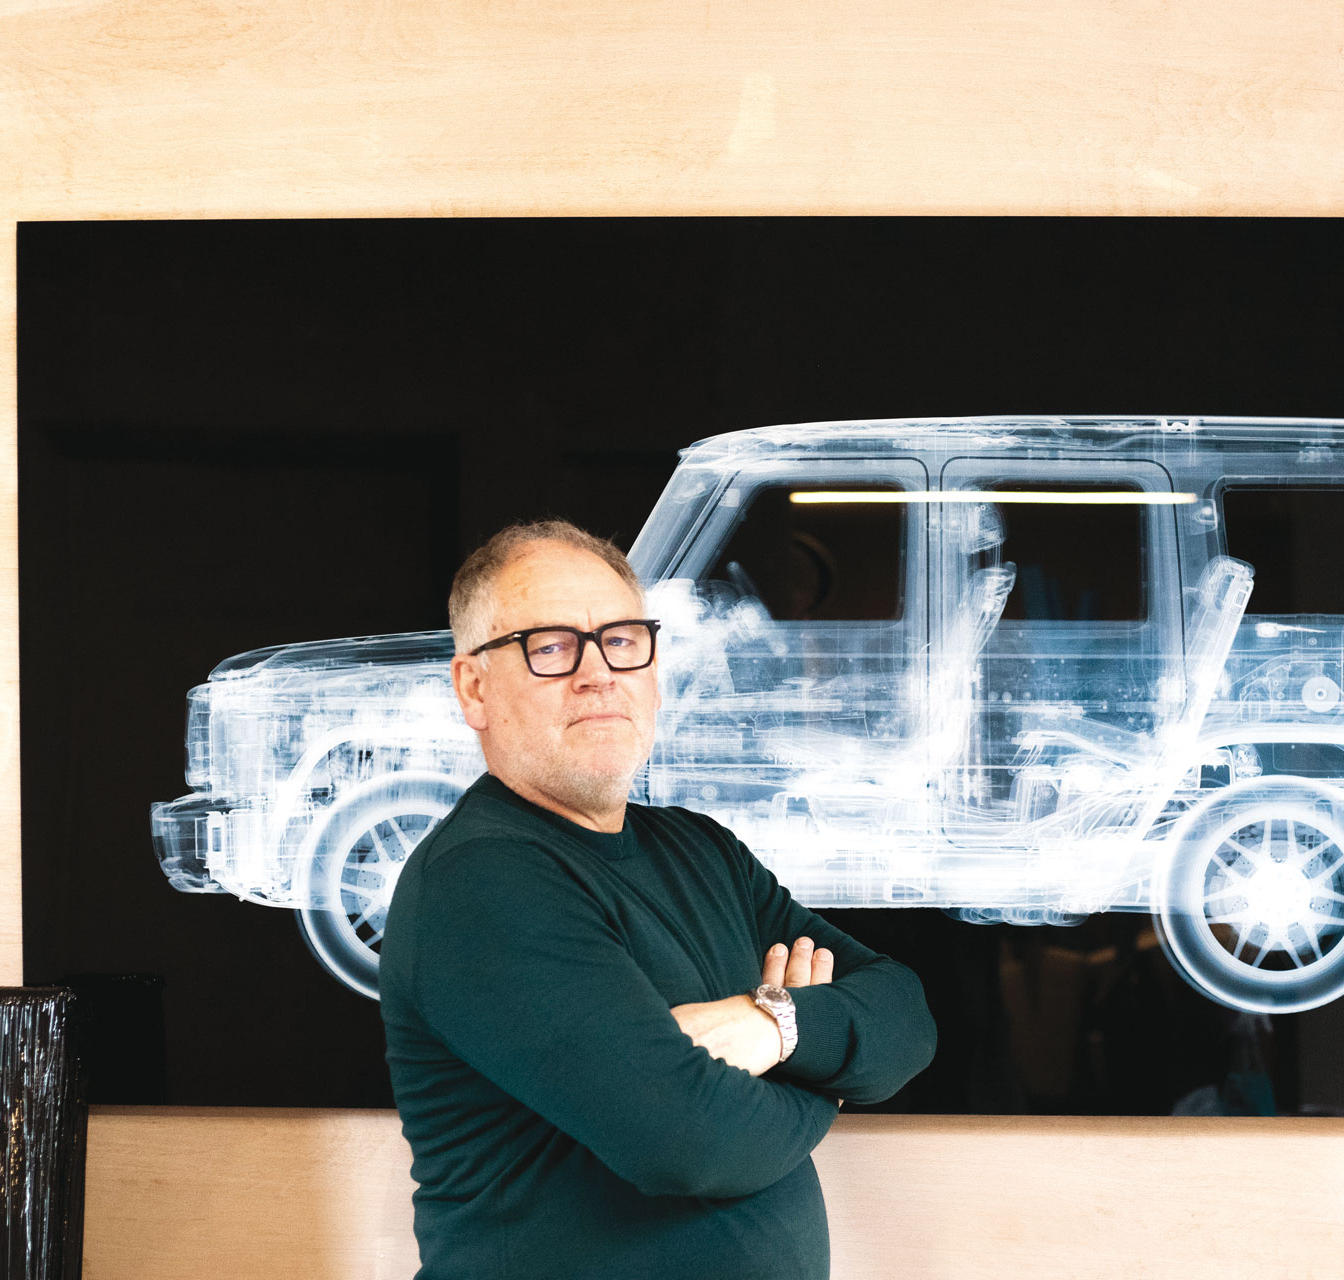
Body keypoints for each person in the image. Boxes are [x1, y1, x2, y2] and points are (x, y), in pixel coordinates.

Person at [379, 519, 937, 1280]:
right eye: (549, 646)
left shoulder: (701, 851)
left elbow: (905, 1014)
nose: (597, 673)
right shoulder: (480, 881)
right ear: (474, 688)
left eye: (621, 639)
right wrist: (822, 1086)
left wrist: (770, 1028)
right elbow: (688, 1145)